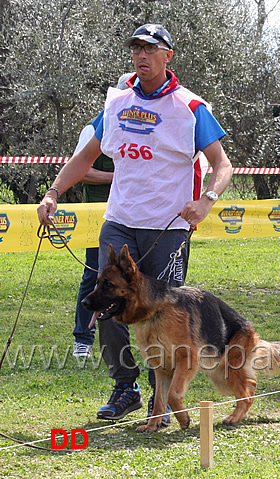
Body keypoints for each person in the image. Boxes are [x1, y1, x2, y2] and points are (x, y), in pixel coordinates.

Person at [38, 24, 233, 422]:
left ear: (168, 56)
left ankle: (158, 401)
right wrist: (53, 192)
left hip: (168, 227)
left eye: (150, 49)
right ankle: (124, 387)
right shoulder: (117, 104)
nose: (141, 56)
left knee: (166, 315)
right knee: (103, 305)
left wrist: (207, 200)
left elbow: (222, 164)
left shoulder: (191, 107)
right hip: (121, 221)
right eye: (136, 49)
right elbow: (84, 158)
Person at [71, 73, 133, 359]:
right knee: (94, 276)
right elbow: (82, 170)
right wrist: (118, 176)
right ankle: (83, 338)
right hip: (98, 215)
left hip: (135, 214)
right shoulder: (95, 128)